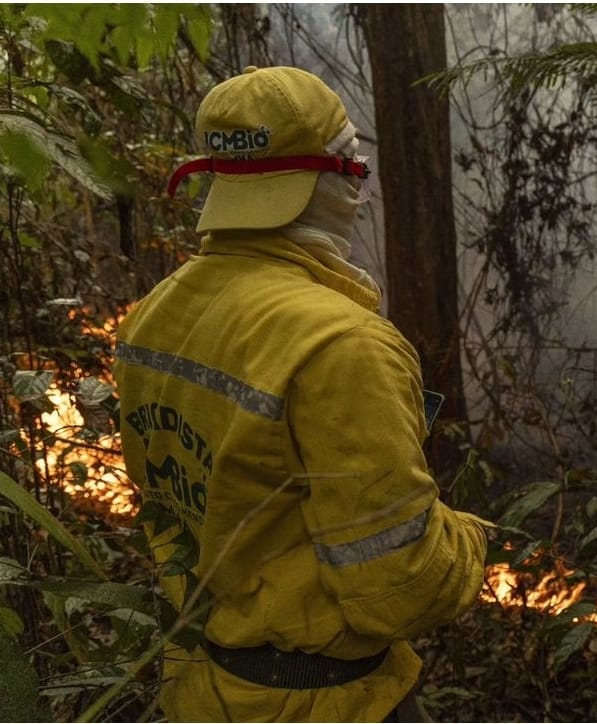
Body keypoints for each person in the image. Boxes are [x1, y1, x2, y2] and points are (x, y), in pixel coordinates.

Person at [114, 66, 490, 722]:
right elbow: (399, 588)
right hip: (322, 703)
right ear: (334, 175)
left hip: (200, 690)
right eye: (355, 159)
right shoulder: (341, 346)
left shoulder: (153, 314)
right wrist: (472, 542)